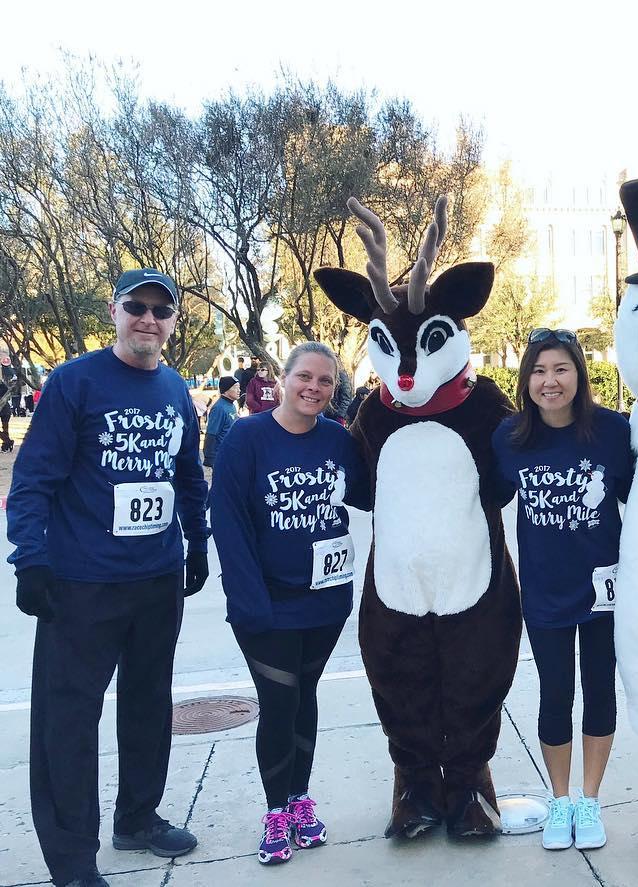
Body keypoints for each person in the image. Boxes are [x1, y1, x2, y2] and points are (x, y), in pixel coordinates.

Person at [6, 268, 209, 887]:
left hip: (155, 580)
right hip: (82, 584)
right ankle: (71, 860)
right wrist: (30, 558)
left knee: (149, 703)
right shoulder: (73, 382)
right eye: (136, 307)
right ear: (115, 311)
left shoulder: (176, 390)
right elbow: (33, 478)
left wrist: (198, 543)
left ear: (173, 322)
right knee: (68, 719)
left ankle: (138, 817)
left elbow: (186, 477)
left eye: (160, 309)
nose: (148, 319)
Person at [209, 342, 370, 866]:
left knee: (306, 697)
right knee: (279, 703)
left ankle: (300, 799)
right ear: (283, 377)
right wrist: (248, 598)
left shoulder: (338, 441)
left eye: (325, 382)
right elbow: (228, 520)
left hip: (325, 602)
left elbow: (370, 493)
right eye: (305, 376)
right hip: (265, 605)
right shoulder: (248, 436)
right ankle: (276, 810)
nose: (314, 389)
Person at [491, 328, 632, 852]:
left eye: (561, 369)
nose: (550, 381)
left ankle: (590, 800)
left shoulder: (613, 433)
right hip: (545, 592)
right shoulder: (509, 438)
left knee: (599, 691)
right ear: (527, 378)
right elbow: (485, 500)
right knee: (555, 694)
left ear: (579, 374)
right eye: (539, 371)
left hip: (603, 591)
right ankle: (560, 799)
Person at [202, 375, 240, 468]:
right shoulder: (219, 408)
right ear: (226, 390)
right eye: (236, 388)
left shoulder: (232, 405)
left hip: (232, 453)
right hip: (221, 456)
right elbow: (211, 434)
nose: (239, 390)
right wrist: (210, 458)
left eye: (239, 388)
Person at [0, 352, 18, 451]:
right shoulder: (4, 387)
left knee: (5, 429)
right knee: (5, 429)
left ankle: (7, 442)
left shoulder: (2, 387)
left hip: (3, 409)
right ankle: (6, 444)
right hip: (6, 410)